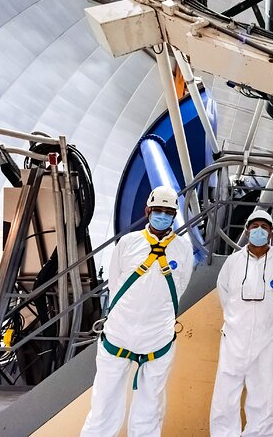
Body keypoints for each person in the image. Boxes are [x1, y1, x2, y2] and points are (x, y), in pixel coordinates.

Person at [81, 186, 194, 437]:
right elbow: (115, 281)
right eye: (158, 211)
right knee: (103, 408)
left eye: (168, 212)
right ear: (147, 211)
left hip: (158, 339)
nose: (162, 216)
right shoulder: (129, 243)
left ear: (174, 215)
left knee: (149, 410)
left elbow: (181, 286)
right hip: (118, 335)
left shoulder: (183, 249)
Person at [209, 210, 273, 436]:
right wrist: (239, 321)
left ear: (271, 232)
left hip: (266, 341)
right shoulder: (233, 262)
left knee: (263, 399)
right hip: (233, 339)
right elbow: (224, 293)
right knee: (225, 398)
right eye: (254, 225)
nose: (259, 230)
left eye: (264, 227)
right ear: (247, 230)